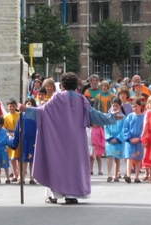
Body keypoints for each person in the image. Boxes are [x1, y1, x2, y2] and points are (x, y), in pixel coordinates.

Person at [17, 72, 122, 204]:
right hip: (76, 141)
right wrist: (110, 117)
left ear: (62, 85)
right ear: (76, 85)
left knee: (56, 164)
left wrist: (26, 109)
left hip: (58, 139)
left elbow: (42, 112)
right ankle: (72, 194)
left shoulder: (57, 98)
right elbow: (94, 115)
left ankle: (55, 194)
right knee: (74, 165)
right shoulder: (82, 99)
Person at [11, 98, 37, 185]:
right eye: (27, 104)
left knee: (33, 160)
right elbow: (17, 129)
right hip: (24, 140)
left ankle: (32, 178)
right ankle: (21, 178)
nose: (29, 105)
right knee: (23, 160)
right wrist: (15, 141)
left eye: (31, 104)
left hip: (34, 140)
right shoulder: (21, 116)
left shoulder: (37, 116)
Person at [123, 100, 144, 183]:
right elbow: (125, 128)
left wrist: (139, 138)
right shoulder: (129, 117)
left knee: (138, 158)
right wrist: (129, 138)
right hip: (130, 141)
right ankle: (128, 175)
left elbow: (145, 130)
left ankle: (136, 176)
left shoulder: (143, 117)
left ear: (140, 106)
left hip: (139, 141)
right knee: (130, 158)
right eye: (133, 107)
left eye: (136, 106)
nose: (134, 108)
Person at [104, 98, 126, 182]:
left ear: (120, 106)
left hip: (118, 141)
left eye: (117, 106)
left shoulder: (123, 117)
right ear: (111, 106)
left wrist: (118, 138)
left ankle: (116, 175)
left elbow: (124, 129)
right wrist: (109, 138)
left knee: (117, 158)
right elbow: (106, 128)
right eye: (114, 106)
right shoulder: (108, 116)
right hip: (110, 141)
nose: (115, 107)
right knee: (110, 156)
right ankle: (109, 174)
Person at [3, 98, 20, 182]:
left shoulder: (19, 115)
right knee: (12, 158)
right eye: (10, 106)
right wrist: (8, 135)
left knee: (18, 157)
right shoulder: (5, 117)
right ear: (7, 107)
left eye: (13, 106)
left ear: (16, 106)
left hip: (18, 136)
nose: (12, 108)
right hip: (10, 137)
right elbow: (4, 128)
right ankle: (14, 174)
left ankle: (19, 173)